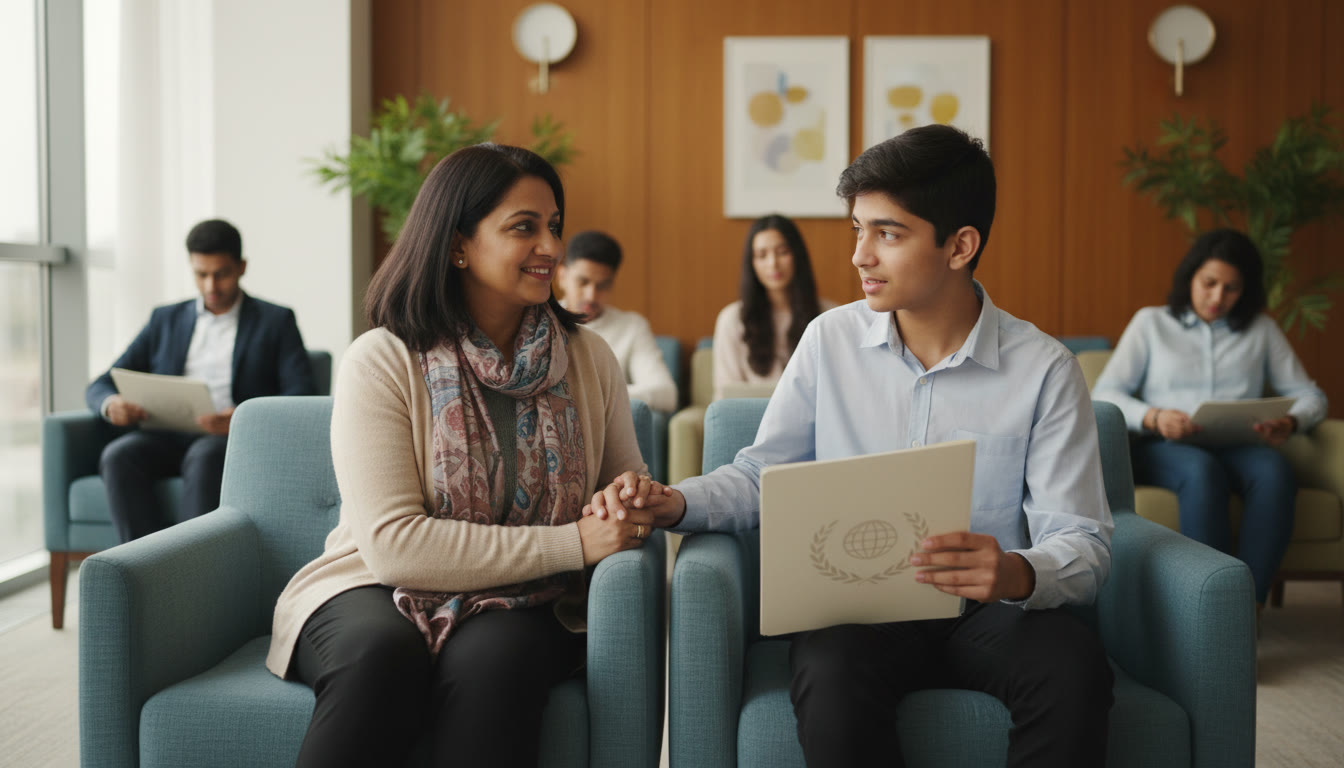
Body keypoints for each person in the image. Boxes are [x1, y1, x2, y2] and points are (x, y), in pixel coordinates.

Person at [590, 124, 1115, 766]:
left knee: (1073, 667)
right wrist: (674, 502)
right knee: (830, 667)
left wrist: (1015, 571)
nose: (860, 256)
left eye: (887, 234)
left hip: (992, 613)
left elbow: (1083, 541)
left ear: (960, 246)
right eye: (857, 231)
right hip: (860, 610)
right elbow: (762, 477)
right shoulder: (828, 341)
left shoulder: (1046, 369)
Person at [267, 144, 664, 768]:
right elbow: (395, 545)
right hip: (374, 583)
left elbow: (623, 491)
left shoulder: (589, 358)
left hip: (532, 597)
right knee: (379, 658)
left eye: (553, 226)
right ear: (458, 244)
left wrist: (632, 501)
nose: (552, 248)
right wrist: (574, 543)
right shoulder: (383, 359)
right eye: (524, 227)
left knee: (494, 664)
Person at [1092, 228, 1327, 611]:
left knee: (1275, 473)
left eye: (1232, 288)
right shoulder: (1152, 323)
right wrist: (1154, 416)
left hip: (1239, 443)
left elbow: (1312, 396)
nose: (1218, 297)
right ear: (1191, 278)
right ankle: (1207, 612)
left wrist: (1291, 422)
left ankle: (1245, 611)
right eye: (1210, 283)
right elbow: (1104, 392)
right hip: (1166, 445)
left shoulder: (1261, 330)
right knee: (1202, 473)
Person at [86, 218, 315, 543]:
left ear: (241, 267)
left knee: (205, 456)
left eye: (220, 273)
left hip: (228, 441)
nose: (211, 286)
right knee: (118, 456)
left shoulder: (275, 321)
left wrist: (244, 417)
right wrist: (111, 405)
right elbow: (101, 384)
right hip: (165, 435)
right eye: (201, 274)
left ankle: (186, 573)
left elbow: (302, 392)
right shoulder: (164, 319)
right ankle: (142, 566)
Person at [712, 214, 836, 399]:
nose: (773, 264)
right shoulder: (732, 319)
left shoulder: (829, 315)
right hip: (753, 423)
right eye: (762, 255)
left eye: (782, 252)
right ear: (752, 264)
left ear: (797, 255)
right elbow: (725, 396)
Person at [555, 230, 678, 412]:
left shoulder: (632, 326)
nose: (591, 295)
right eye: (583, 282)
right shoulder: (540, 319)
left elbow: (666, 395)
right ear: (562, 277)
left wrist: (588, 395)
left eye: (603, 285)